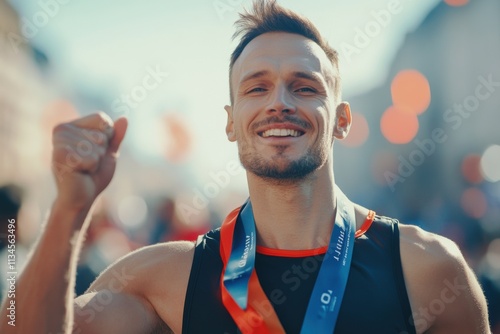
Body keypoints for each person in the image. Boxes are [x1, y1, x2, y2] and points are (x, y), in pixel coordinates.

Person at [0, 1, 490, 333]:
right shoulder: (165, 278)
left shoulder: (428, 269)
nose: (279, 102)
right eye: (256, 87)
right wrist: (68, 209)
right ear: (232, 123)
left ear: (341, 120)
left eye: (305, 86)